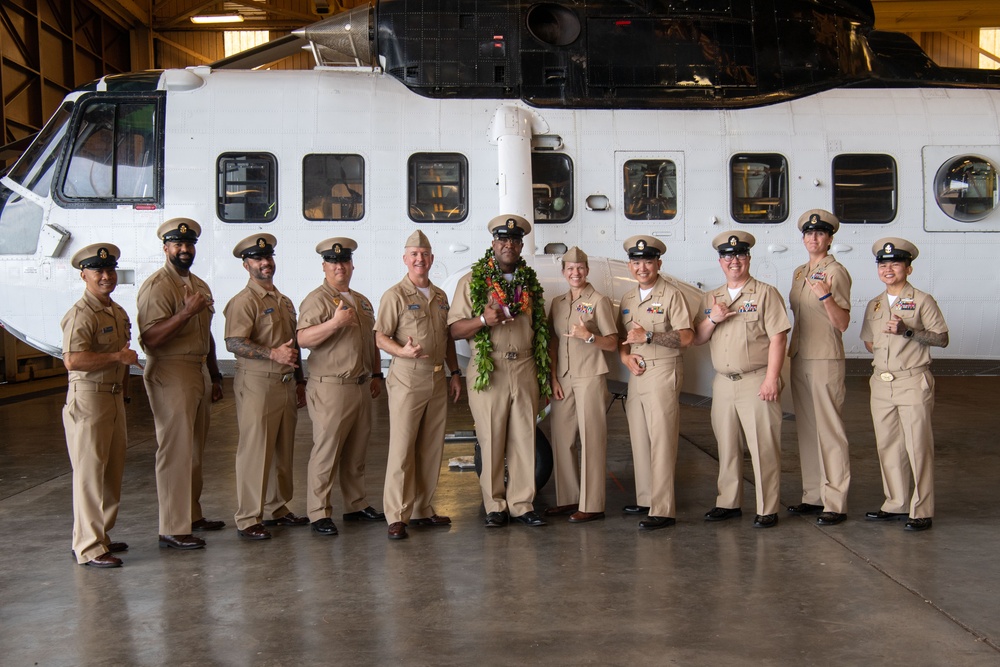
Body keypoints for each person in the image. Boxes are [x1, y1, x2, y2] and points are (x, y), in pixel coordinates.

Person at [449, 214, 551, 528]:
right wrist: (482, 321)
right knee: (491, 438)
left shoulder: (530, 285)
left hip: (524, 367)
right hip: (488, 367)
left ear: (521, 245)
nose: (509, 245)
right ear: (493, 243)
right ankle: (495, 505)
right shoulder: (472, 281)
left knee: (524, 438)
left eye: (514, 240)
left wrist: (544, 380)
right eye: (503, 239)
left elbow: (541, 333)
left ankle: (522, 504)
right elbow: (453, 330)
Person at [137, 218, 226, 552]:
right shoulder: (158, 286)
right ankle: (172, 527)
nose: (184, 249)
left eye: (189, 244)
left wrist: (215, 375)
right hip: (170, 371)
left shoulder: (199, 284)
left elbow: (208, 334)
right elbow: (150, 339)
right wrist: (185, 313)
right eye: (177, 244)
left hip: (198, 369)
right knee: (175, 450)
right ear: (166, 248)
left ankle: (191, 513)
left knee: (194, 449)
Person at [693, 231, 791, 529]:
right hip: (723, 383)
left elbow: (778, 338)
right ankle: (729, 501)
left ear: (748, 258)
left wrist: (772, 379)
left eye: (739, 255)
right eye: (727, 256)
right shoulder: (712, 298)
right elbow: (697, 338)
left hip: (756, 379)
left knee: (763, 446)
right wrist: (713, 319)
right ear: (720, 261)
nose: (733, 261)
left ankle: (767, 506)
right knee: (727, 444)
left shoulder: (765, 293)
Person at [375, 230, 463, 540]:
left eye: (424, 254)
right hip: (407, 378)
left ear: (431, 259)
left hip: (438, 377)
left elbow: (448, 337)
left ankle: (423, 508)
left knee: (431, 446)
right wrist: (400, 351)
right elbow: (380, 336)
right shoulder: (394, 295)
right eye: (414, 254)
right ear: (405, 259)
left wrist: (455, 373)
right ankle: (397, 515)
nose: (419, 259)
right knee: (402, 448)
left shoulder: (439, 296)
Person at [297, 237, 385, 537]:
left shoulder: (361, 300)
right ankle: (318, 512)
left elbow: (372, 340)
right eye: (333, 262)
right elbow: (303, 339)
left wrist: (376, 374)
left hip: (360, 385)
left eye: (344, 261)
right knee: (326, 451)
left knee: (356, 452)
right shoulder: (317, 299)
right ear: (324, 266)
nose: (340, 267)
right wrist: (334, 324)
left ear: (351, 265)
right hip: (331, 387)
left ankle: (356, 504)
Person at [860, 238, 948, 532]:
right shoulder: (874, 304)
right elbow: (870, 341)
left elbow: (941, 338)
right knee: (888, 445)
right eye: (883, 264)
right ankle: (895, 502)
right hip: (882, 383)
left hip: (912, 381)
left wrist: (908, 332)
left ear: (908, 268)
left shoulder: (923, 300)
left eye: (895, 263)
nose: (888, 269)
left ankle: (921, 509)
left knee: (917, 446)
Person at [224, 234, 308, 540]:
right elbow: (233, 342)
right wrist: (272, 354)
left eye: (268, 258)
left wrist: (300, 381)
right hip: (257, 384)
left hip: (285, 383)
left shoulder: (282, 301)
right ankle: (248, 517)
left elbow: (294, 344)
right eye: (258, 260)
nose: (265, 264)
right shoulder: (244, 302)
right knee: (255, 451)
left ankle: (277, 508)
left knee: (282, 451)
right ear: (247, 265)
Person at [61, 243, 140, 567]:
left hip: (111, 396)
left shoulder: (115, 311)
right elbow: (72, 360)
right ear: (84, 275)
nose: (106, 276)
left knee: (111, 472)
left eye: (109, 270)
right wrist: (116, 357)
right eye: (98, 271)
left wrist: (121, 390)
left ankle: (99, 535)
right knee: (90, 474)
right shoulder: (81, 314)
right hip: (89, 396)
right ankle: (88, 546)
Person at [616, 237, 693, 530]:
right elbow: (624, 340)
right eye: (636, 262)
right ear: (630, 266)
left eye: (648, 261)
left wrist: (649, 336)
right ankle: (647, 498)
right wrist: (625, 358)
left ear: (658, 264)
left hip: (663, 371)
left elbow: (686, 337)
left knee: (662, 440)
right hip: (637, 374)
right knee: (640, 439)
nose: (642, 267)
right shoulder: (627, 299)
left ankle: (663, 509)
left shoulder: (672, 295)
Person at [787, 209, 852, 526]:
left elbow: (842, 323)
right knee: (808, 430)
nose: (813, 238)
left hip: (825, 357)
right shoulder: (800, 272)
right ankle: (813, 495)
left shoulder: (836, 272)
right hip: (800, 355)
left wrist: (825, 296)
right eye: (809, 234)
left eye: (820, 233)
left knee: (830, 430)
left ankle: (835, 501)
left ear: (829, 238)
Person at [545, 246, 618, 524]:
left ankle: (593, 504)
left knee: (591, 438)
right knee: (563, 440)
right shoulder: (558, 303)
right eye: (570, 269)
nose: (575, 273)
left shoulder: (598, 301)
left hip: (590, 376)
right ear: (564, 272)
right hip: (564, 377)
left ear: (587, 270)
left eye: (580, 268)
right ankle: (569, 499)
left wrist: (589, 337)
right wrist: (553, 377)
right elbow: (554, 342)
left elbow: (612, 342)